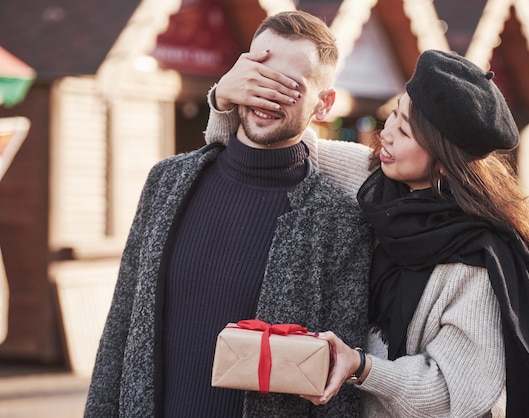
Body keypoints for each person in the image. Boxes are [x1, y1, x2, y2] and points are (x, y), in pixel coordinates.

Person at [205, 50, 529, 417]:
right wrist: (223, 99)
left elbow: (455, 394)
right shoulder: (372, 180)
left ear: (444, 161)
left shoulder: (477, 261)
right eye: (394, 113)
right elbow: (262, 151)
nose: (386, 132)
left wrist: (363, 368)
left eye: (405, 130)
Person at [84, 11, 374, 418]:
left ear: (323, 104)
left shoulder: (338, 221)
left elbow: (336, 385)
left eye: (289, 86)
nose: (265, 95)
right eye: (258, 74)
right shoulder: (166, 182)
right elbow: (121, 328)